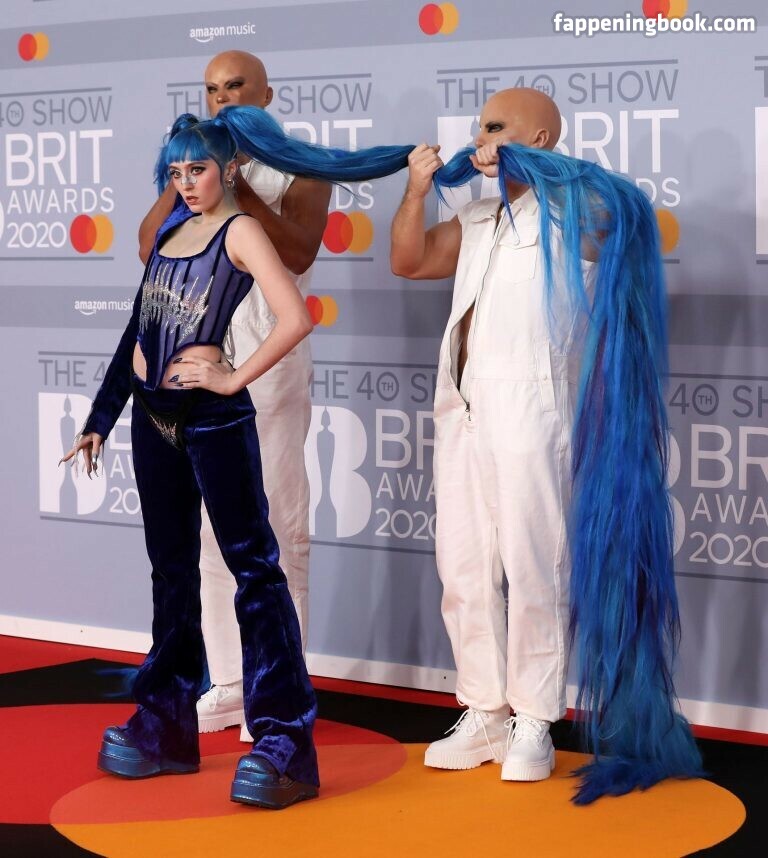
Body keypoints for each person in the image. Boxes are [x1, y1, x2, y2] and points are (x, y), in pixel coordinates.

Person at [62, 107, 412, 807]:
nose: (186, 183)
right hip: (152, 419)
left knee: (255, 572)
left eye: (197, 170)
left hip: (213, 419)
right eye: (176, 172)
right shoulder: (171, 230)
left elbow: (295, 317)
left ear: (228, 169)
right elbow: (140, 328)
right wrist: (101, 417)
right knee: (172, 575)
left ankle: (284, 744)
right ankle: (164, 729)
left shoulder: (242, 230)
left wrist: (232, 377)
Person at [390, 88, 701, 803]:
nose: (481, 139)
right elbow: (408, 260)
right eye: (479, 128)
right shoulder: (475, 219)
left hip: (533, 409)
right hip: (461, 407)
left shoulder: (577, 212)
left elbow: (622, 219)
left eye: (496, 127)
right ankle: (484, 711)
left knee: (536, 564)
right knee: (463, 567)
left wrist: (538, 170)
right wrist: (415, 191)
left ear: (539, 136)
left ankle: (534, 717)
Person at [139, 51, 331, 740]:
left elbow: (300, 253)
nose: (222, 99)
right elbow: (148, 245)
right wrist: (203, 171)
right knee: (209, 532)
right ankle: (228, 682)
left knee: (273, 529)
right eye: (212, 89)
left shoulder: (301, 165)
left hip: (267, 362)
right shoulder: (196, 163)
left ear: (266, 93)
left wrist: (237, 182)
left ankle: (277, 689)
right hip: (197, 361)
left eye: (236, 86)